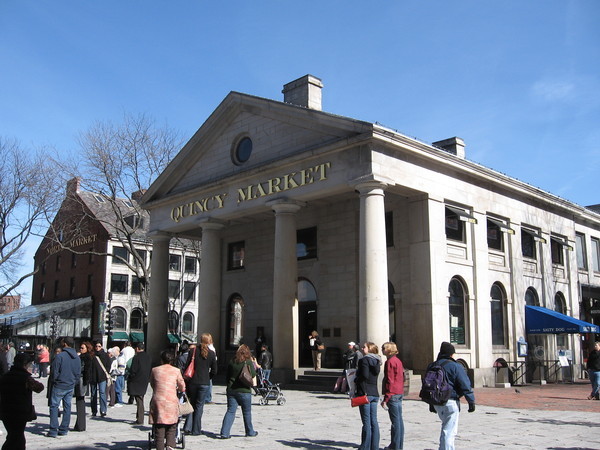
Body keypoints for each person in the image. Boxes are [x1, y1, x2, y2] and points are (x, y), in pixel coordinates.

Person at [430, 342, 475, 450]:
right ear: (451, 354)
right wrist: (471, 401)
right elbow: (465, 384)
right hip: (450, 401)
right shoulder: (455, 366)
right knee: (449, 431)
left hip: (436, 402)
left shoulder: (433, 365)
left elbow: (429, 384)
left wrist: (431, 402)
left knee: (446, 427)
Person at [0, 352, 44, 449]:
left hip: (6, 411)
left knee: (13, 435)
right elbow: (39, 387)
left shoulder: (5, 376)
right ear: (25, 365)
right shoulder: (26, 378)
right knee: (16, 438)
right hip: (20, 412)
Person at [219, 344, 258, 439]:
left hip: (232, 390)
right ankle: (250, 431)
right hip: (244, 390)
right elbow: (253, 374)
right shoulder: (248, 362)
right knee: (247, 412)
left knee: (230, 411)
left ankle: (225, 432)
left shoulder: (232, 362)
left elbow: (227, 376)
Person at [149, 350, 186, 450]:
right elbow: (182, 386)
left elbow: (152, 384)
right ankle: (170, 445)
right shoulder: (176, 371)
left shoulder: (155, 370)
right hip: (171, 400)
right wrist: (178, 389)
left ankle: (159, 447)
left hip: (158, 400)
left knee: (159, 426)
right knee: (172, 425)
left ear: (161, 360)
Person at [183, 334, 218, 435]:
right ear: (209, 341)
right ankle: (196, 430)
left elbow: (187, 366)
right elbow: (215, 370)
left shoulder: (192, 351)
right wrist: (208, 377)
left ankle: (188, 427)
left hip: (193, 381)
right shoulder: (211, 353)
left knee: (191, 404)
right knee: (199, 406)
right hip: (204, 382)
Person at [48, 337, 81, 438]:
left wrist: (56, 381)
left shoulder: (60, 356)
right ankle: (64, 429)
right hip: (70, 385)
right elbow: (78, 373)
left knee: (54, 406)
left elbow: (55, 372)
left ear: (65, 344)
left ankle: (53, 430)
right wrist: (73, 382)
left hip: (59, 384)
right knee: (67, 407)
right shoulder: (77, 357)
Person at [355, 342, 382, 450]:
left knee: (366, 422)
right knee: (373, 421)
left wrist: (356, 379)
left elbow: (364, 375)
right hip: (374, 392)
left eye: (364, 347)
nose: (362, 348)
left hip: (365, 393)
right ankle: (374, 446)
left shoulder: (364, 360)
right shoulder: (377, 361)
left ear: (370, 349)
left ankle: (365, 446)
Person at [381, 341, 405, 450]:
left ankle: (395, 446)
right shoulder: (398, 361)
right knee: (399, 420)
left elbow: (390, 380)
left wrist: (386, 397)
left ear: (389, 350)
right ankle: (398, 445)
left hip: (393, 393)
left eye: (384, 348)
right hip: (399, 392)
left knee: (395, 422)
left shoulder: (390, 362)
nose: (382, 350)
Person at [128, 342, 152, 424]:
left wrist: (131, 376)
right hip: (144, 380)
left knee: (139, 400)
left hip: (136, 380)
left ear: (137, 349)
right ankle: (139, 417)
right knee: (140, 398)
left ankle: (140, 419)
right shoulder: (148, 357)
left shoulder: (136, 357)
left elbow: (133, 370)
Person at [74, 341, 92, 432]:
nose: (80, 349)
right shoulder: (86, 357)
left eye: (82, 348)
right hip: (83, 381)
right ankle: (79, 424)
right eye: (80, 348)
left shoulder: (84, 357)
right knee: (80, 402)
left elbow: (81, 369)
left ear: (87, 349)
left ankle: (80, 425)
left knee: (80, 402)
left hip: (81, 381)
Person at [90, 340, 111, 417]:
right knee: (93, 394)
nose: (97, 348)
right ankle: (94, 410)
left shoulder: (105, 355)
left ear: (101, 346)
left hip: (102, 377)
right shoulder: (92, 355)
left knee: (102, 393)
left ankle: (103, 410)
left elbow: (108, 365)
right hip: (93, 377)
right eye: (96, 346)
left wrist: (106, 374)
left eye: (99, 346)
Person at [205, 333, 217, 404]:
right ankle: (207, 398)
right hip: (208, 367)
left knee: (208, 383)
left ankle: (207, 398)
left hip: (207, 367)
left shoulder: (210, 347)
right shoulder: (211, 347)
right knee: (209, 383)